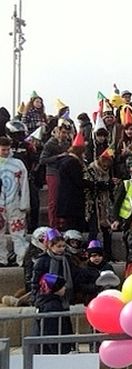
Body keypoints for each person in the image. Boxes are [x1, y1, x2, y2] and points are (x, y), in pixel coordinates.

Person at [0, 136, 30, 268]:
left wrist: (24, 203)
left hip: (15, 203)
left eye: (7, 149)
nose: (6, 152)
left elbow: (24, 185)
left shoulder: (18, 164)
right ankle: (2, 258)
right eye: (3, 150)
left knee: (18, 233)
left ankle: (21, 258)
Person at [39, 119, 72, 228]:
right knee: (53, 201)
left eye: (67, 133)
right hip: (52, 173)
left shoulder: (67, 143)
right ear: (58, 131)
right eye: (63, 132)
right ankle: (52, 224)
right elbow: (42, 160)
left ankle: (62, 223)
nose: (65, 135)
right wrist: (58, 156)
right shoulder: (50, 143)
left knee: (63, 199)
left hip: (64, 173)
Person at [33, 273, 74, 354]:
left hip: (45, 348)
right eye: (62, 286)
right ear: (56, 289)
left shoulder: (44, 301)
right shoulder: (52, 306)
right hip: (51, 350)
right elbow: (50, 330)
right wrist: (58, 351)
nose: (65, 288)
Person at [57, 131, 87, 231]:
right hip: (72, 201)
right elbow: (79, 181)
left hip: (67, 200)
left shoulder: (66, 160)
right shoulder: (72, 162)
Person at [73, 240, 118, 305]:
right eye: (94, 256)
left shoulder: (108, 267)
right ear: (89, 257)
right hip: (91, 299)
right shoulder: (84, 269)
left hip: (107, 297)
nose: (97, 258)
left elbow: (115, 281)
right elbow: (80, 286)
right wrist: (95, 287)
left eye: (99, 256)